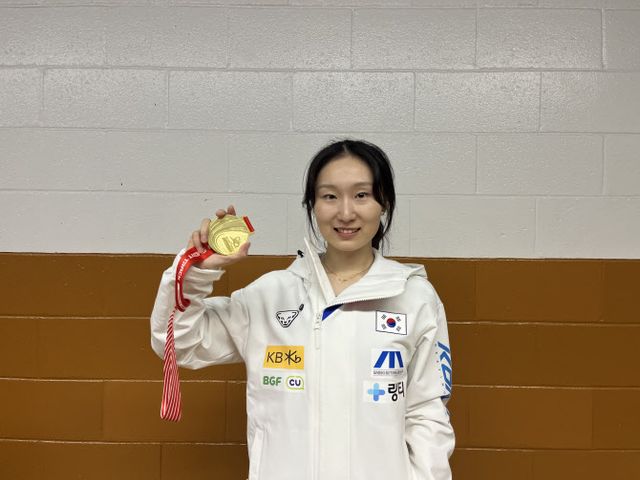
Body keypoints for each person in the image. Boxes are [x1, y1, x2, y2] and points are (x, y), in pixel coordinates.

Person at [150, 139, 454, 480]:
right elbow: (178, 343)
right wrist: (196, 273)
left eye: (361, 195)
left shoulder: (414, 298)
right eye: (329, 196)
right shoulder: (270, 296)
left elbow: (427, 416)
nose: (345, 213)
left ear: (384, 203)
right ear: (312, 205)